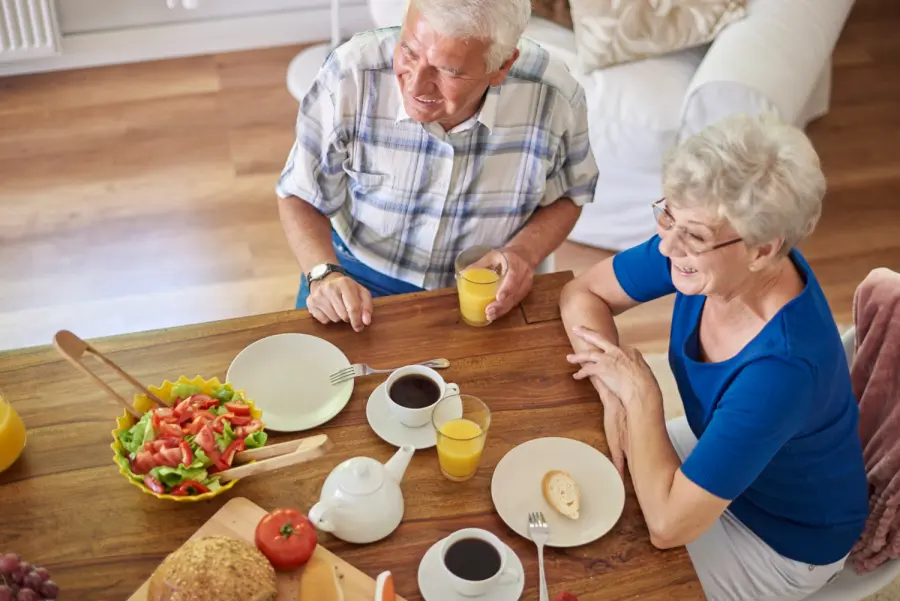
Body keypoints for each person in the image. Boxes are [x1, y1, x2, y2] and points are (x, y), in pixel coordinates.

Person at [560, 113, 869, 601]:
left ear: (762, 250)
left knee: (595, 575)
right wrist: (613, 395)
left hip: (778, 539)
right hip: (714, 462)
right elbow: (583, 293)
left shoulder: (781, 371)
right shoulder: (713, 256)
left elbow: (667, 526)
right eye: (669, 217)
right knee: (568, 487)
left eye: (694, 236)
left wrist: (640, 395)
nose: (666, 245)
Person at [275, 0, 597, 332]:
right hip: (354, 271)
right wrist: (323, 273)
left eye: (448, 70)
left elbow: (570, 193)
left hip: (488, 288)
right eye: (409, 52)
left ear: (502, 65)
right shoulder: (351, 74)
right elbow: (300, 194)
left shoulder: (555, 98)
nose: (413, 86)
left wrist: (523, 253)